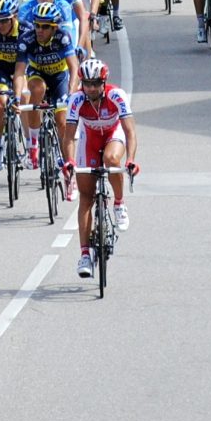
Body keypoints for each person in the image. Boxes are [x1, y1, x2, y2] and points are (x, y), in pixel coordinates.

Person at [68, 58, 138, 278]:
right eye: (86, 83)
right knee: (86, 198)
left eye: (96, 83)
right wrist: (69, 162)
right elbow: (69, 135)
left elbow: (130, 133)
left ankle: (118, 203)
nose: (90, 88)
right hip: (90, 139)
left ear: (104, 82)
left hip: (112, 135)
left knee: (111, 160)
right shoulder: (77, 99)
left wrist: (132, 160)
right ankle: (85, 255)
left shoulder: (117, 95)